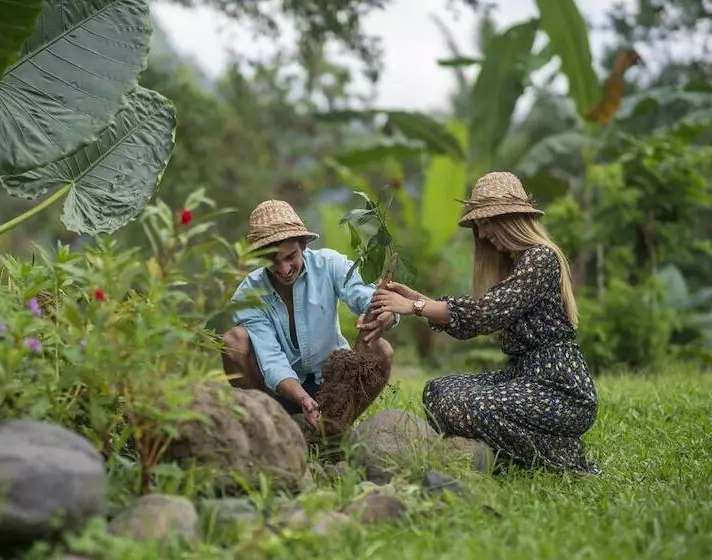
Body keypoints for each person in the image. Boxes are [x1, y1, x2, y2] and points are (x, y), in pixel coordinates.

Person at [370, 171, 600, 475]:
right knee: (438, 391)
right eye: (478, 226)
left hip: (561, 390)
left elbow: (487, 313)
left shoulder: (541, 258)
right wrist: (416, 296)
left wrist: (416, 306)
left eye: (487, 223)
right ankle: (534, 445)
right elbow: (476, 318)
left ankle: (562, 456)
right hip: (524, 378)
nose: (482, 234)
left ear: (511, 220)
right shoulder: (516, 264)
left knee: (462, 406)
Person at [222, 200, 397, 432]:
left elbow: (364, 296)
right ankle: (272, 425)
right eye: (272, 261)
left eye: (290, 257)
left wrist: (385, 313)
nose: (284, 269)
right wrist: (303, 399)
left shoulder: (329, 264)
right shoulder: (249, 294)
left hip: (333, 383)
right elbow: (271, 359)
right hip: (279, 389)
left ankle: (335, 429)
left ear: (303, 245)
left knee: (380, 350)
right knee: (234, 341)